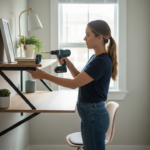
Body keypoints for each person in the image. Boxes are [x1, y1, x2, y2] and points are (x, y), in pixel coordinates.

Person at [27, 20, 118, 150]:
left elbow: (74, 84)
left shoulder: (101, 62)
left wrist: (45, 76)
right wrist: (69, 64)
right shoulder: (95, 58)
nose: (84, 38)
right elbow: (79, 79)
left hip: (94, 115)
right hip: (91, 115)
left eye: (87, 35)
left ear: (99, 37)